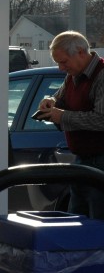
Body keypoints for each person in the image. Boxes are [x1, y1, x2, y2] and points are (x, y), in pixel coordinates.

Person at [37, 30, 104, 219]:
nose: (60, 68)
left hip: (100, 160)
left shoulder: (101, 76)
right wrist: (50, 101)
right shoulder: (73, 75)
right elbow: (60, 97)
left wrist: (62, 116)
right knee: (76, 220)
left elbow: (101, 119)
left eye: (64, 62)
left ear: (81, 52)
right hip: (82, 160)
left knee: (96, 223)